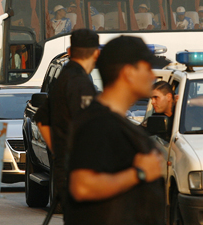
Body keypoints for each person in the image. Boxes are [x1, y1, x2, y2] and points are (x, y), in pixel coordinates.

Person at [66, 36, 168, 225]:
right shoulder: (98, 123)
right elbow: (82, 186)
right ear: (128, 73)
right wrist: (139, 173)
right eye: (147, 68)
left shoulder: (115, 122)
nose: (153, 76)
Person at [36, 29, 100, 215]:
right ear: (96, 53)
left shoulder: (63, 77)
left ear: (70, 51)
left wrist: (58, 152)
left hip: (66, 171)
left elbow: (41, 119)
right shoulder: (81, 83)